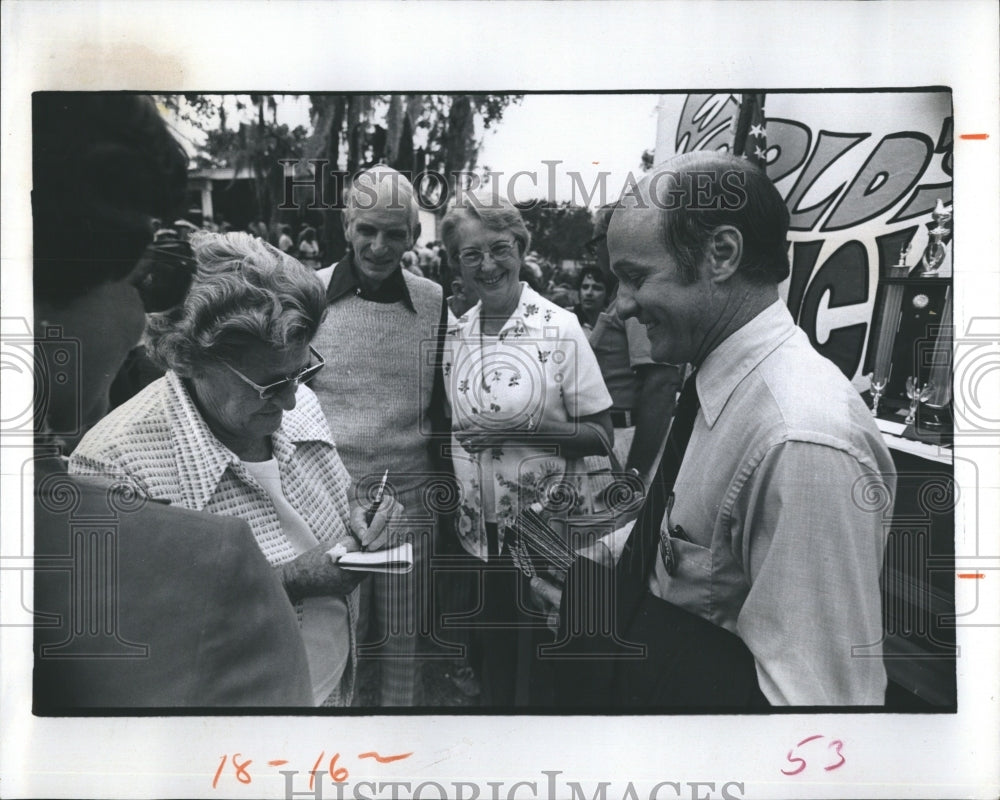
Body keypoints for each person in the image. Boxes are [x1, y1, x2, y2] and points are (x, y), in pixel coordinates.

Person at [569, 151, 896, 707]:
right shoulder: (719, 385)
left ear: (721, 253)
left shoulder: (801, 441)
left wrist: (616, 624)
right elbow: (690, 541)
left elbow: (817, 716)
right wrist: (589, 565)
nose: (621, 306)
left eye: (635, 277)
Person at [32, 93, 312, 709]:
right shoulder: (196, 552)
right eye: (143, 279)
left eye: (303, 373)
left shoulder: (307, 413)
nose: (141, 325)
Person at [69, 231, 397, 707]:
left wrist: (365, 512)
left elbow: (339, 501)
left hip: (331, 693)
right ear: (189, 358)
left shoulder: (297, 401)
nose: (290, 400)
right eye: (269, 386)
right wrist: (291, 579)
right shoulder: (114, 466)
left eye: (302, 372)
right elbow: (140, 641)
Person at [440, 194, 613, 705]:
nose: (487, 264)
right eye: (471, 255)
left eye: (499, 248)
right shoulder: (456, 333)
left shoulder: (559, 326)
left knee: (541, 669)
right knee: (495, 662)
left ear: (520, 247)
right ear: (456, 263)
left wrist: (522, 425)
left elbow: (601, 435)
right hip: (479, 538)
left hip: (545, 532)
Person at [310, 165, 449, 707]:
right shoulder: (309, 292)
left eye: (395, 232)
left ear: (415, 236)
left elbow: (441, 402)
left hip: (410, 503)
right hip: (326, 500)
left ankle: (397, 758)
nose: (378, 244)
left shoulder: (434, 301)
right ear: (347, 225)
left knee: (400, 649)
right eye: (367, 229)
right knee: (332, 644)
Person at [586, 204, 684, 484]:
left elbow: (660, 383)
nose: (594, 253)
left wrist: (634, 476)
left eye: (596, 242)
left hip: (629, 440)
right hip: (614, 438)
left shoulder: (636, 300)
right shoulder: (622, 295)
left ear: (613, 240)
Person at [572, 264, 608, 332]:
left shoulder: (614, 323)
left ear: (607, 294)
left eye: (597, 288)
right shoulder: (568, 320)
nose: (589, 293)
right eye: (585, 287)